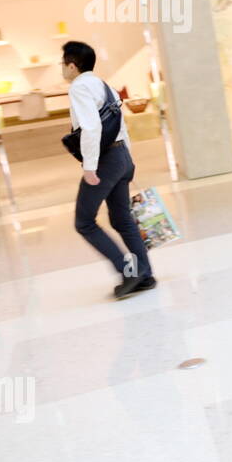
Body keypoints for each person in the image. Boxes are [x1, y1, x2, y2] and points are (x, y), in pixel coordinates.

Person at [62, 40, 155, 300]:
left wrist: (90, 167)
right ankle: (145, 274)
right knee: (122, 219)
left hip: (105, 161)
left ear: (72, 65)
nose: (62, 69)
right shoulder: (105, 86)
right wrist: (127, 162)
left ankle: (129, 272)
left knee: (84, 222)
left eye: (63, 64)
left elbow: (91, 128)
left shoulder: (79, 87)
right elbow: (120, 127)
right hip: (121, 155)